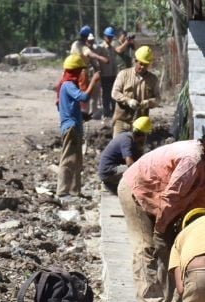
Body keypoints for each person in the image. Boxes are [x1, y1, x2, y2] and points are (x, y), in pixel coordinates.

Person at [117, 115, 205, 302]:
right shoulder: (191, 160)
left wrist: (189, 227)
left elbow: (202, 198)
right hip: (137, 191)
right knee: (146, 246)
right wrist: (161, 228)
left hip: (161, 199)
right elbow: (172, 197)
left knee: (174, 247)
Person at [57, 54, 102, 198]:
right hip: (71, 127)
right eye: (80, 71)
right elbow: (83, 97)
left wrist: (83, 115)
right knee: (68, 159)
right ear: (74, 71)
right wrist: (93, 81)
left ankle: (74, 191)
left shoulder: (67, 85)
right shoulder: (68, 85)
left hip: (74, 125)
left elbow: (69, 108)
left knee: (76, 160)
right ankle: (63, 191)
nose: (82, 74)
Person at [111, 45, 158, 137]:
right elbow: (115, 93)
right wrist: (128, 100)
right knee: (118, 148)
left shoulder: (153, 79)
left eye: (145, 65)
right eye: (140, 64)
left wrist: (149, 102)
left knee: (137, 150)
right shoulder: (124, 74)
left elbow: (158, 98)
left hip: (141, 124)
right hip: (122, 121)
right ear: (135, 61)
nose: (143, 67)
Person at [97, 116, 152, 194]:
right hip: (108, 171)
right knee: (137, 173)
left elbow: (138, 160)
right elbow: (129, 163)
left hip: (111, 170)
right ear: (143, 135)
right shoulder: (126, 140)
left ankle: (111, 186)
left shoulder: (132, 140)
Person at [94, 27, 121, 119]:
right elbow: (95, 58)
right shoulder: (101, 48)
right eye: (108, 37)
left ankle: (114, 110)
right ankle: (106, 111)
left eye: (111, 37)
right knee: (106, 94)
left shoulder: (112, 48)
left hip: (113, 75)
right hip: (105, 75)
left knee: (113, 93)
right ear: (105, 37)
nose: (109, 39)